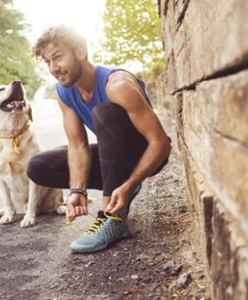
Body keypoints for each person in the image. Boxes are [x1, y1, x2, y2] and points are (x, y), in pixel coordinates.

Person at [28, 25, 171, 253]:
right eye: (48, 62)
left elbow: (161, 144)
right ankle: (117, 189)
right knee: (38, 166)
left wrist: (130, 184)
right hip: (114, 154)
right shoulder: (64, 92)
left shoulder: (117, 84)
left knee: (103, 112)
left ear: (80, 51)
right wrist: (78, 191)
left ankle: (111, 218)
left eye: (58, 57)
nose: (54, 68)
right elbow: (78, 146)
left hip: (146, 153)